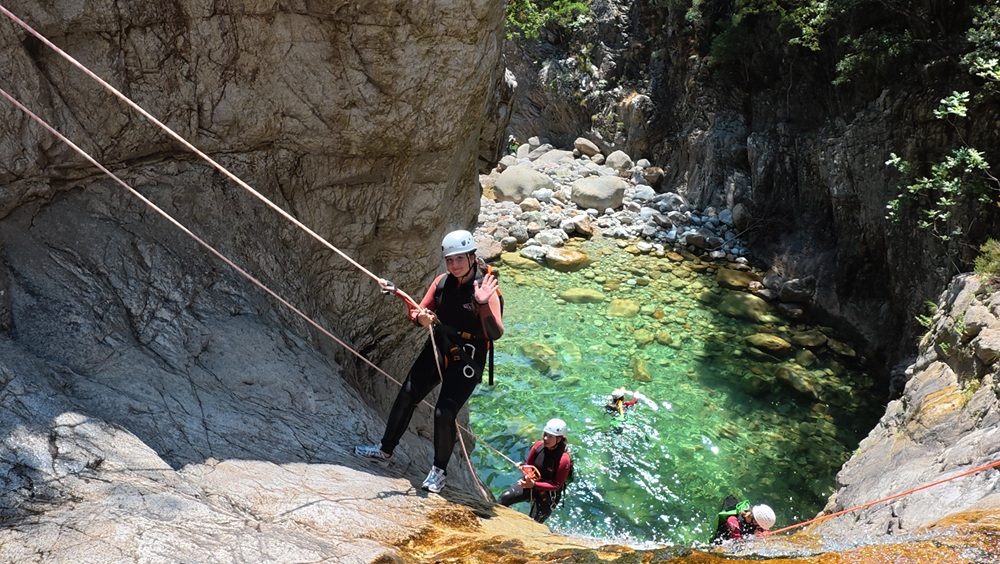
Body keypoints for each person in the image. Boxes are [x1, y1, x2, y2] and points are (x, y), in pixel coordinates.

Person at [355, 229, 504, 494]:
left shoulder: (485, 289)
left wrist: (481, 303)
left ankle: (439, 472)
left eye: (459, 259)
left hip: (469, 355)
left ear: (471, 257)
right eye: (450, 260)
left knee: (444, 412)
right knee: (407, 394)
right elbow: (418, 311)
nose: (454, 265)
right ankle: (385, 451)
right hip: (440, 345)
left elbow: (495, 334)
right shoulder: (442, 283)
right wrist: (420, 319)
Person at [498, 418, 573, 524]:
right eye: (545, 434)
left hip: (548, 495)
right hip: (531, 484)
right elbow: (528, 466)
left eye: (550, 436)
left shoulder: (564, 460)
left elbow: (556, 485)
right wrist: (525, 472)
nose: (546, 438)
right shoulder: (538, 446)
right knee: (504, 498)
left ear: (559, 439)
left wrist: (533, 484)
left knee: (532, 523)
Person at [711, 496, 776, 542]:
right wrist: (740, 537)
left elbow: (763, 529)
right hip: (724, 536)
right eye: (759, 525)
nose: (759, 527)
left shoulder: (755, 518)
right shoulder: (734, 521)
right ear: (755, 521)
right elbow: (730, 520)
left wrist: (765, 532)